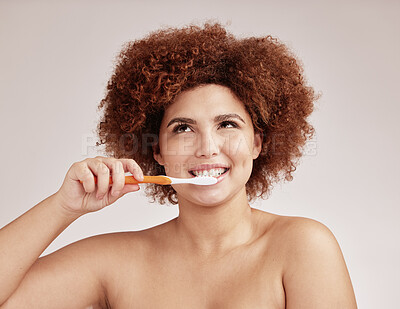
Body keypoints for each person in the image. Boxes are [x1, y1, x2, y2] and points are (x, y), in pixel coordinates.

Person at [0, 22, 357, 308]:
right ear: (157, 151)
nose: (207, 148)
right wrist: (64, 206)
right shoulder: (116, 262)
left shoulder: (303, 248)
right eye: (183, 128)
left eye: (227, 124)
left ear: (257, 143)